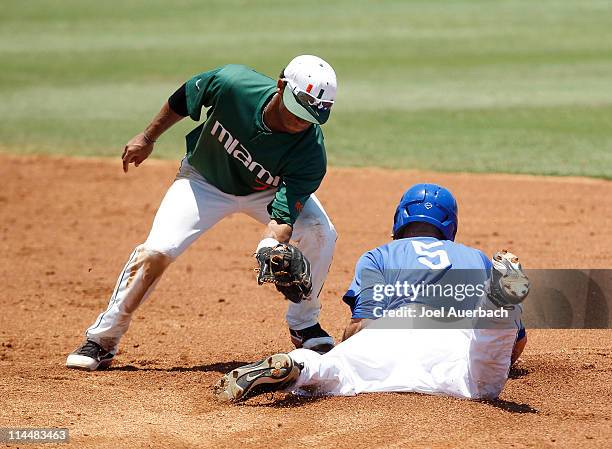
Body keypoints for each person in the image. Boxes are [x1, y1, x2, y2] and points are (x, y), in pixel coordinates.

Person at [66, 55, 339, 371]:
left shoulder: (310, 153)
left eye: (310, 117)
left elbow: (282, 215)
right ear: (281, 87)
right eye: (297, 110)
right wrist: (148, 136)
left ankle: (303, 323)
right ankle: (103, 339)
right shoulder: (234, 84)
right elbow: (185, 97)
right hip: (204, 180)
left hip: (264, 192)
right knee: (157, 251)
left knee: (321, 232)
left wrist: (268, 248)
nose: (301, 121)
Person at [214, 183, 529, 402]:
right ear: (449, 226)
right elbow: (518, 344)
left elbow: (361, 327)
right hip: (452, 343)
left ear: (400, 220)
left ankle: (299, 366)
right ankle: (499, 308)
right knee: (484, 379)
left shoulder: (380, 255)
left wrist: (352, 347)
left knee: (335, 371)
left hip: (388, 333)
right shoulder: (474, 257)